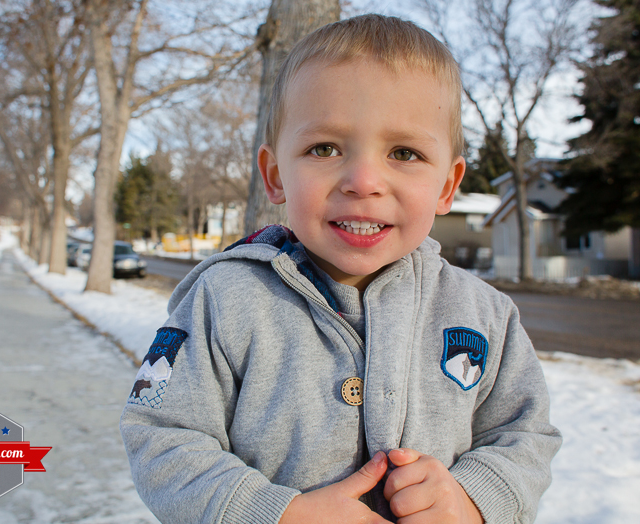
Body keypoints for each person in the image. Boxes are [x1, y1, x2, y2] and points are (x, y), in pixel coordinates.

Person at [121, 14, 561, 524]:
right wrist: (276, 514)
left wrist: (473, 499)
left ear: (447, 186)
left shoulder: (486, 315)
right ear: (275, 175)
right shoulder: (225, 299)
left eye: (404, 153)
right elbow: (162, 436)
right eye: (324, 149)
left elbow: (524, 434)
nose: (363, 180)